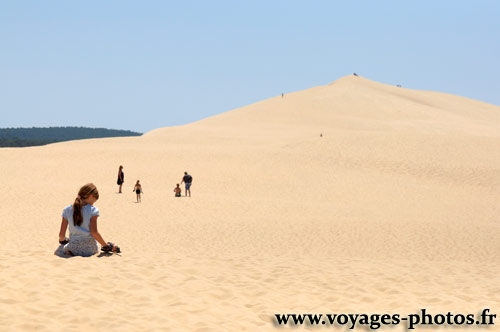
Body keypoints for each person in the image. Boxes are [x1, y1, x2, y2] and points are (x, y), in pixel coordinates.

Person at [55, 183, 119, 257]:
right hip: (91, 249)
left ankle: (70, 252)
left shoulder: (67, 210)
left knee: (61, 248)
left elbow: (61, 235)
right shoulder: (93, 210)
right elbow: (94, 232)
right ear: (91, 196)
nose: (93, 204)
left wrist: (63, 241)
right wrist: (106, 246)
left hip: (74, 248)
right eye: (94, 201)